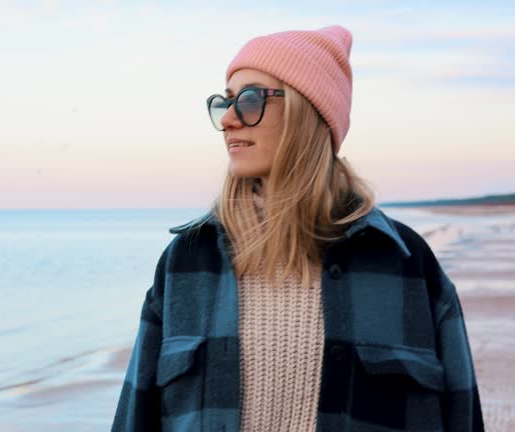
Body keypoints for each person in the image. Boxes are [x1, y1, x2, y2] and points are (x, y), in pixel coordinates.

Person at [110, 25, 485, 432]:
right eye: (227, 102)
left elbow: (462, 417)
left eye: (250, 99)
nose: (230, 120)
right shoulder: (186, 260)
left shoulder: (405, 262)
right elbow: (135, 417)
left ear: (310, 111)